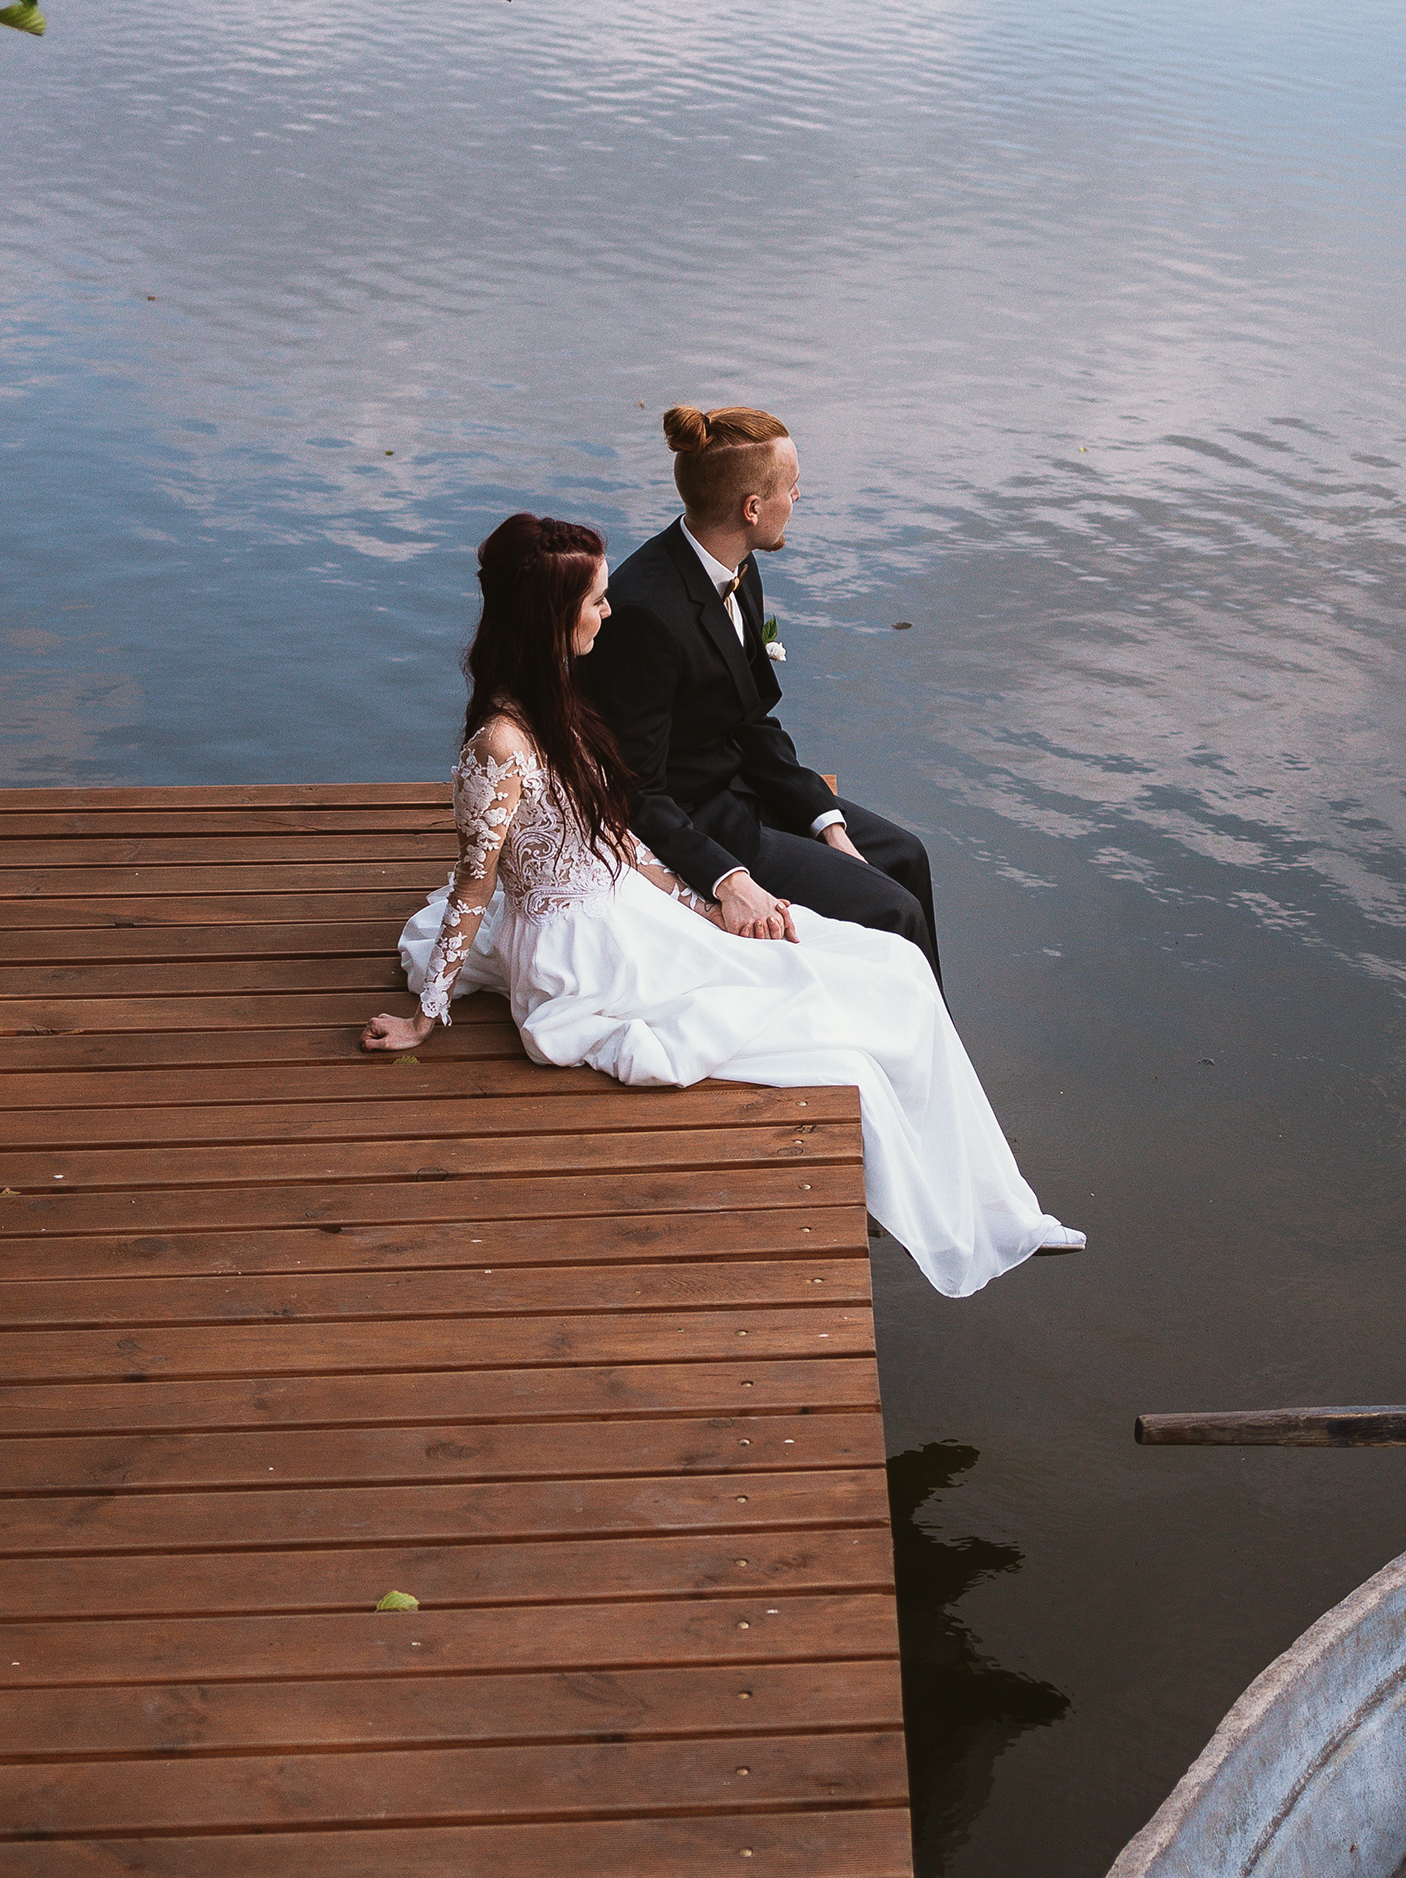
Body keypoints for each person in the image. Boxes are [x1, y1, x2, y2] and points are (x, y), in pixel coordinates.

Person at [365, 514, 1083, 1298]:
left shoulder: (562, 702)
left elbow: (617, 841)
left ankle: (1000, 1205)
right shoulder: (498, 748)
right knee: (840, 1034)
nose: (610, 611)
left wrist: (703, 903)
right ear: (552, 616)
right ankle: (947, 1214)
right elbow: (474, 885)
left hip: (632, 912)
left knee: (894, 966)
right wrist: (425, 1018)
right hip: (585, 959)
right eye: (596, 601)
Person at [576, 405, 940, 972]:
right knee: (894, 910)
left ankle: (928, 1026)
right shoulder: (646, 613)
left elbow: (751, 720)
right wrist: (728, 877)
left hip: (747, 786)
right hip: (696, 818)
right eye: (791, 487)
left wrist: (828, 825)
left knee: (906, 856)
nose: (798, 496)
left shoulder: (737, 567)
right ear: (752, 508)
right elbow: (634, 790)